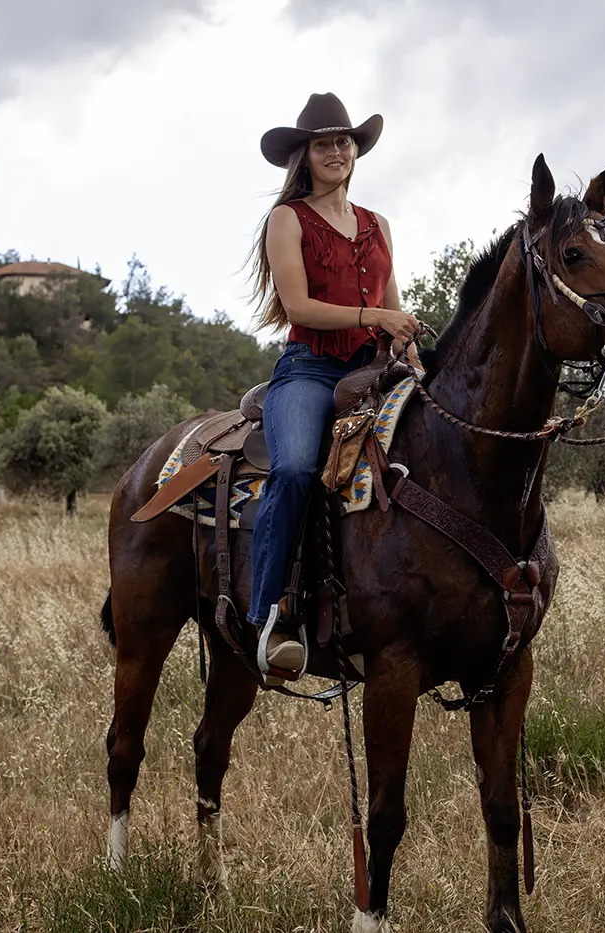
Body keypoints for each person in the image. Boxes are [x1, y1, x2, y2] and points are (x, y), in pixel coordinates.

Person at [246, 92, 420, 675]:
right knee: (295, 467)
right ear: (305, 154)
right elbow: (299, 305)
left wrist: (411, 352)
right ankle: (271, 616)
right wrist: (374, 319)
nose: (337, 151)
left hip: (375, 372)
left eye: (344, 141)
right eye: (324, 143)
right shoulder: (287, 220)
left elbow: (394, 308)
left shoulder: (378, 225)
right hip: (311, 369)